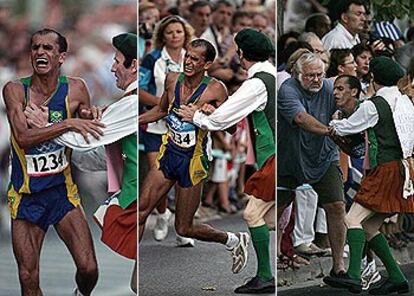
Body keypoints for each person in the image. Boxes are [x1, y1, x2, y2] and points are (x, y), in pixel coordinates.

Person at [3, 28, 105, 296]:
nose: (40, 52)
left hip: (62, 193)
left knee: (89, 269)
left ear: (61, 56)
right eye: (36, 47)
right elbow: (23, 137)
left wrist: (87, 114)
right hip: (26, 197)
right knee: (28, 277)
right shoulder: (15, 90)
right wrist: (66, 123)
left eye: (48, 48)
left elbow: (85, 115)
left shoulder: (76, 87)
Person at [139, 38, 250, 275]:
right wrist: (131, 123)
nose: (188, 62)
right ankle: (136, 275)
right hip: (168, 154)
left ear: (207, 64)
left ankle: (232, 239)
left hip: (193, 162)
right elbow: (160, 110)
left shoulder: (216, 88)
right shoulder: (171, 79)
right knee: (141, 211)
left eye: (194, 59)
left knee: (184, 227)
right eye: (186, 56)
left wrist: (214, 113)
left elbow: (231, 128)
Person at [178, 28, 276, 294]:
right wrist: (215, 109)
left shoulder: (257, 83)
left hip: (274, 159)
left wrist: (196, 117)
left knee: (253, 213)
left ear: (242, 55)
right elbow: (233, 109)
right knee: (272, 215)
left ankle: (266, 276)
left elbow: (223, 120)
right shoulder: (272, 76)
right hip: (282, 157)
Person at [325, 56, 414, 295]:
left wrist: (333, 124)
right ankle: (396, 277)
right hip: (403, 169)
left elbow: (350, 126)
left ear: (373, 78)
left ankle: (353, 275)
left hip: (384, 170)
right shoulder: (405, 101)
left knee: (351, 220)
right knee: (369, 227)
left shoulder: (374, 104)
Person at [277, 52, 347, 279]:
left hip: (323, 157)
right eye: (310, 76)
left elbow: (352, 101)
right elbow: (300, 119)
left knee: (337, 206)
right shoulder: (288, 89)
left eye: (319, 74)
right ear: (298, 75)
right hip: (290, 160)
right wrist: (330, 131)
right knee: (276, 211)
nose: (316, 79)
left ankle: (339, 267)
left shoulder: (330, 87)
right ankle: (272, 261)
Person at [140, 15, 195, 246]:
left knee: (183, 177)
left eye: (179, 32)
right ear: (162, 35)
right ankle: (163, 214)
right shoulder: (152, 59)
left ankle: (183, 229)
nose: (174, 36)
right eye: (170, 32)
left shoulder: (192, 58)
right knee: (158, 174)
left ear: (185, 35)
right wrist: (164, 104)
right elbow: (140, 90)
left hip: (184, 127)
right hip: (157, 125)